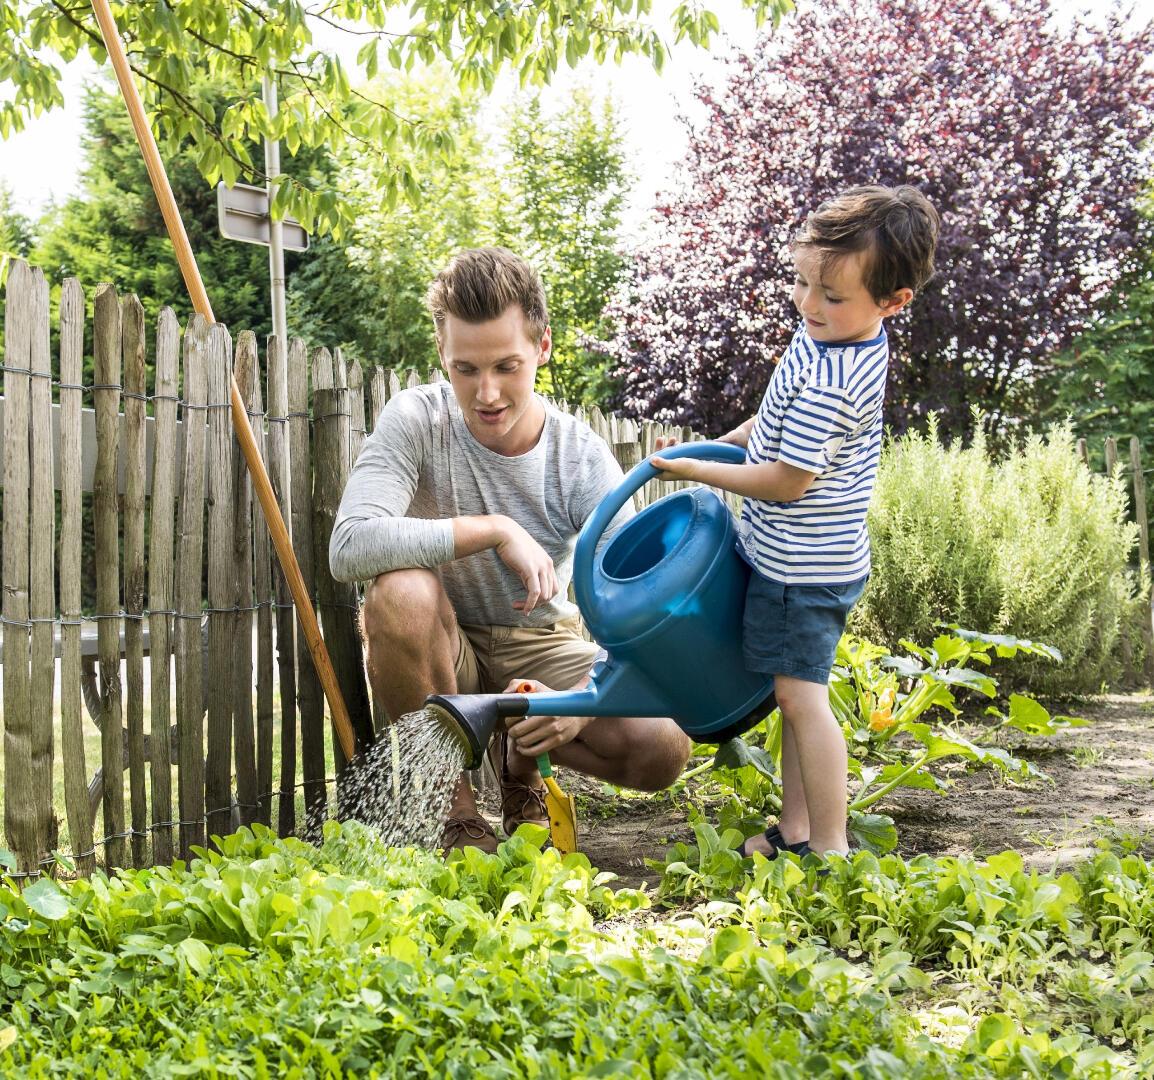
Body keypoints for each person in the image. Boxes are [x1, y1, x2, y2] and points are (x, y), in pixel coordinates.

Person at [330, 246, 691, 853]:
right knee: (399, 593)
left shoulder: (579, 458)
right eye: (465, 369)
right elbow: (350, 545)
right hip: (443, 645)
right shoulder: (416, 420)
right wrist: (494, 527)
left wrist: (586, 702)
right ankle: (456, 815)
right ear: (442, 352)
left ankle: (521, 750)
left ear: (543, 347)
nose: (487, 392)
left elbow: (636, 603)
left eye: (507, 365)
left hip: (544, 644)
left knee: (661, 749)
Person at [651, 185, 940, 859]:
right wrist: (718, 443)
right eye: (803, 282)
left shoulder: (837, 380)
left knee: (801, 700)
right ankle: (798, 828)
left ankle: (830, 847)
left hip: (803, 571)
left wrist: (698, 472)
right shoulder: (828, 336)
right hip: (799, 556)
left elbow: (784, 479)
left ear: (893, 302)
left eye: (831, 295)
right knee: (793, 698)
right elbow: (773, 421)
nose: (809, 304)